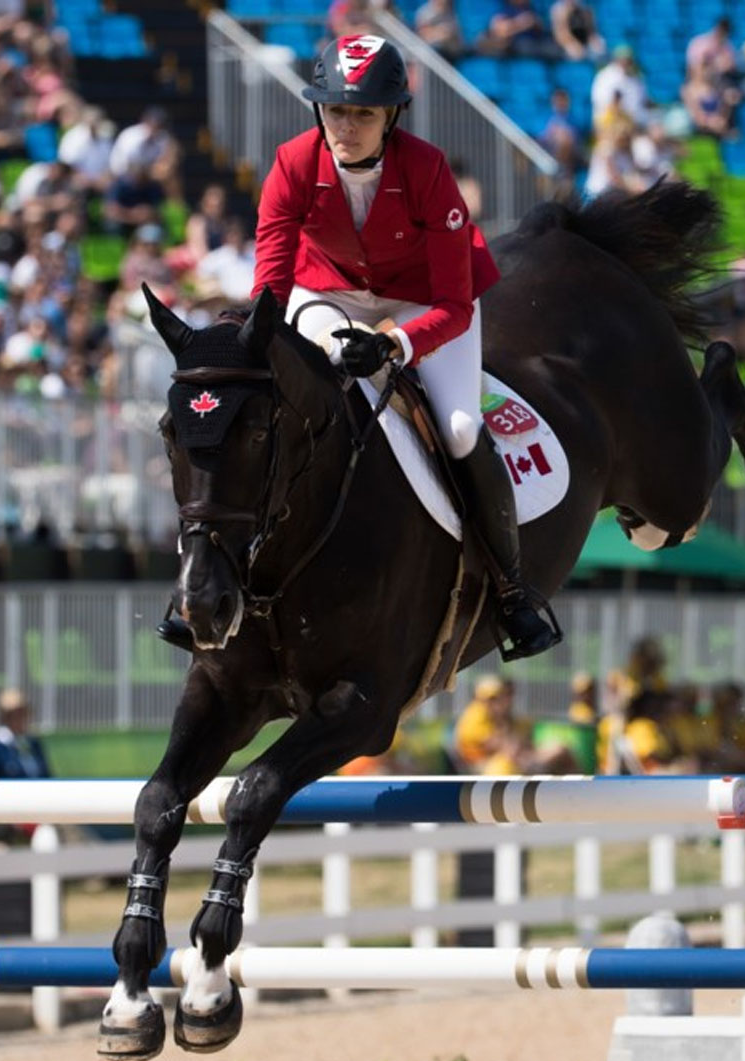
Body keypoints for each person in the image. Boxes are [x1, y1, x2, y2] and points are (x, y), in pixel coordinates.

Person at [251, 35, 558, 660]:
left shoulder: (426, 169)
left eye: (362, 113)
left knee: (461, 427)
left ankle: (512, 592)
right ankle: (227, 576)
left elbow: (452, 303)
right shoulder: (291, 164)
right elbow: (270, 291)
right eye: (335, 110)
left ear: (390, 116)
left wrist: (394, 345)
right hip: (330, 295)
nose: (346, 125)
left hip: (424, 305)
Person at [0, 688, 52, 779]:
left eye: (24, 713)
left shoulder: (33, 743)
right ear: (5, 717)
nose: (22, 719)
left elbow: (46, 776)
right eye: (16, 715)